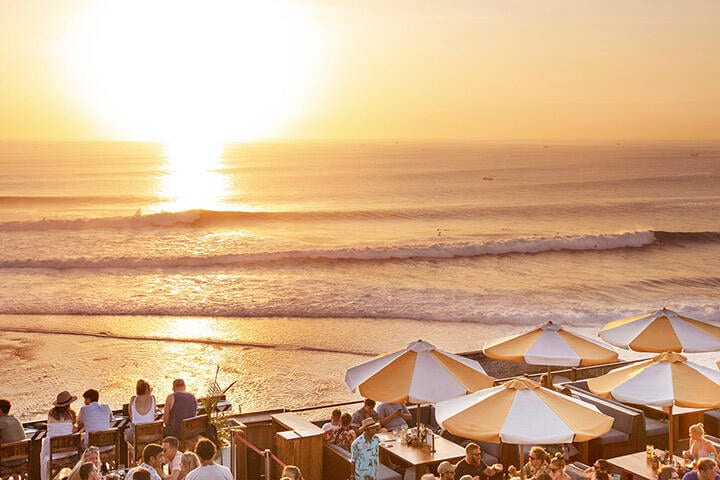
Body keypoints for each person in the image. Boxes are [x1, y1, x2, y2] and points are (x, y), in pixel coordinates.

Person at [41, 391, 78, 480]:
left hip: (53, 452)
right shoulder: (71, 414)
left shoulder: (51, 413)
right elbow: (73, 429)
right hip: (69, 451)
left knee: (42, 454)